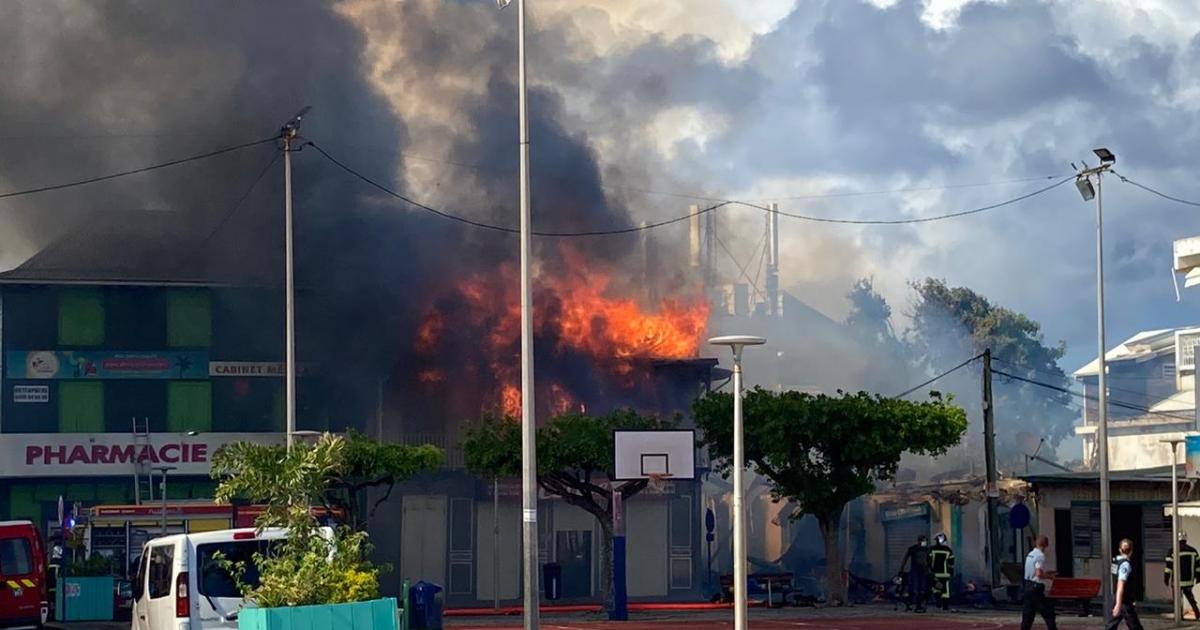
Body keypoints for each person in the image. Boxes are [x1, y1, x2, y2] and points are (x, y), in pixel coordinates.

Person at [1020, 535, 1057, 630]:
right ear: (1045, 545)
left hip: (1027, 585)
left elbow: (1033, 570)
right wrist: (1050, 576)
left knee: (1028, 614)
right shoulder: (1040, 556)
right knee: (1048, 612)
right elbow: (1038, 573)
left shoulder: (1030, 554)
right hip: (1036, 587)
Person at [1107, 539, 1143, 630]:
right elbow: (1121, 585)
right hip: (1124, 600)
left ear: (1120, 550)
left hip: (1117, 598)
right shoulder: (1125, 565)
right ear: (1131, 551)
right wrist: (1119, 604)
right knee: (1135, 626)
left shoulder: (1116, 561)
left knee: (1111, 625)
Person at [1165, 531, 1200, 620]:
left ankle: (1179, 617)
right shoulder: (1193, 551)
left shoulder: (1172, 551)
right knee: (1190, 598)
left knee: (1177, 600)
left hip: (1177, 581)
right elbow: (1198, 567)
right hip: (1189, 581)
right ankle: (1197, 614)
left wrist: (1166, 578)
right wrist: (1198, 577)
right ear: (1186, 539)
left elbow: (1168, 567)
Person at [899, 534, 931, 612]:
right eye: (923, 540)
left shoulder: (927, 550)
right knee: (915, 589)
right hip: (915, 571)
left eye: (925, 541)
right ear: (919, 541)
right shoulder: (913, 549)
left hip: (923, 571)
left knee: (922, 589)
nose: (924, 542)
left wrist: (929, 570)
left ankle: (919, 605)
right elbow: (905, 559)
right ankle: (911, 604)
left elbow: (929, 561)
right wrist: (901, 570)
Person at [929, 532, 955, 611]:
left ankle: (938, 603)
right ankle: (945, 606)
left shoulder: (932, 549)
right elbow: (951, 563)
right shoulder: (948, 550)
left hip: (935, 573)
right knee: (945, 591)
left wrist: (929, 571)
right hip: (945, 574)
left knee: (935, 588)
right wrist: (951, 573)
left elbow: (928, 561)